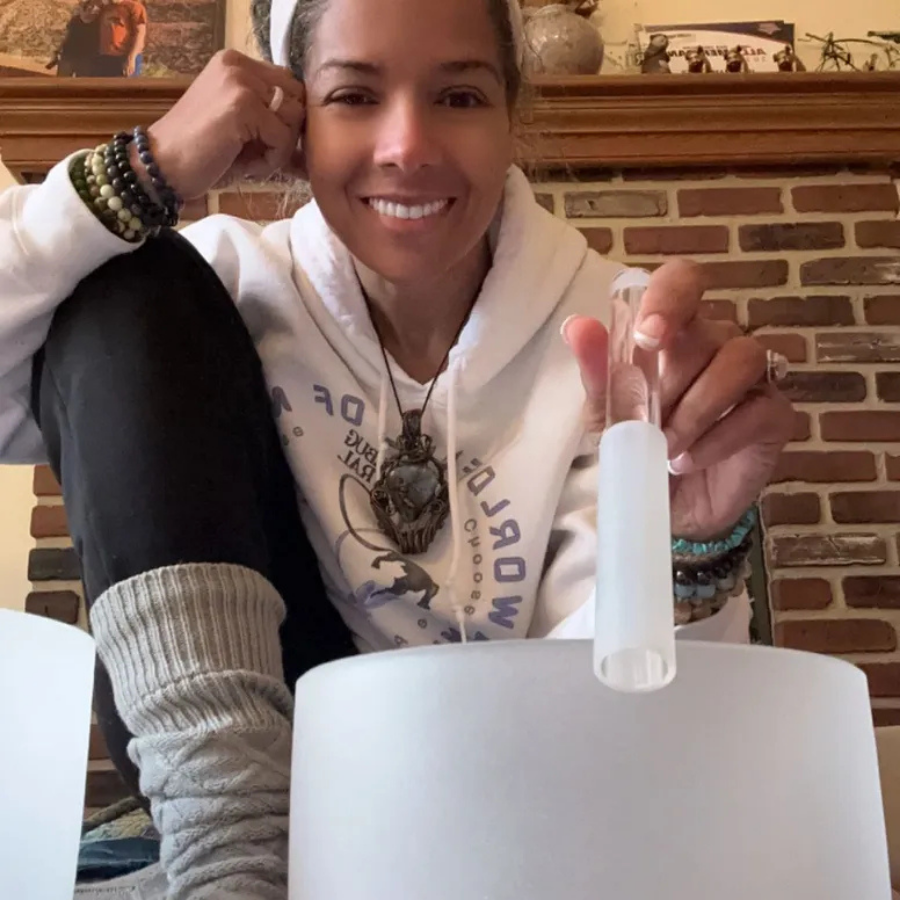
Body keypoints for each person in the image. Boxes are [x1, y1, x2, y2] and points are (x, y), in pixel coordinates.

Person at [0, 0, 795, 895]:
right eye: (354, 96)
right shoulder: (218, 284)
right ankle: (232, 861)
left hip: (493, 812)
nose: (407, 146)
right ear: (293, 117)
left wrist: (680, 547)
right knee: (125, 278)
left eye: (458, 97)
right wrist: (137, 175)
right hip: (247, 803)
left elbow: (614, 744)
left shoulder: (611, 332)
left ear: (510, 119)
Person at [47, 0, 102, 77]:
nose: (95, 8)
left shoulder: (98, 23)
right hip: (68, 55)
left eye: (98, 6)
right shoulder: (75, 20)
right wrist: (57, 51)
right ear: (87, 6)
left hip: (85, 59)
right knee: (62, 84)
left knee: (82, 85)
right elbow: (66, 36)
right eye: (92, 5)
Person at [94, 0, 147, 76]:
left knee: (125, 86)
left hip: (125, 57)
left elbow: (140, 35)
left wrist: (131, 58)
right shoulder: (105, 8)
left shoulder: (135, 7)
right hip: (105, 57)